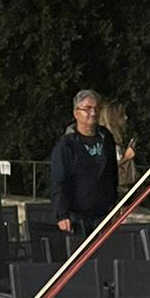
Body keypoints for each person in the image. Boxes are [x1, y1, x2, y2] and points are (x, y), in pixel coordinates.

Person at [50, 89, 121, 233]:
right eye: (87, 109)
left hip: (104, 215)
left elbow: (112, 173)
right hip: (77, 216)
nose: (93, 113)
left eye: (96, 109)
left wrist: (114, 205)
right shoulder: (66, 145)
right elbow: (59, 181)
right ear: (76, 113)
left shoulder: (106, 137)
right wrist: (62, 214)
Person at [99, 99, 137, 189]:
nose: (126, 117)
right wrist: (126, 157)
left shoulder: (114, 140)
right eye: (121, 115)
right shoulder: (103, 140)